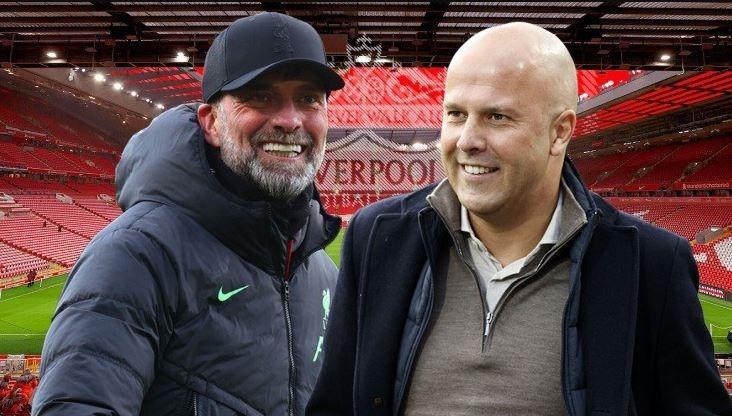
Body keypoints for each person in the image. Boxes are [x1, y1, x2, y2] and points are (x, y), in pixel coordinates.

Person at [307, 22, 731, 415]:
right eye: (456, 114)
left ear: (560, 131)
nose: (467, 140)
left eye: (497, 117)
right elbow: (335, 404)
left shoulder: (651, 264)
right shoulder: (378, 237)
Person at [32, 12, 344, 416]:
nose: (289, 120)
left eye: (308, 99)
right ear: (210, 123)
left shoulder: (321, 271)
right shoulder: (137, 256)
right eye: (260, 96)